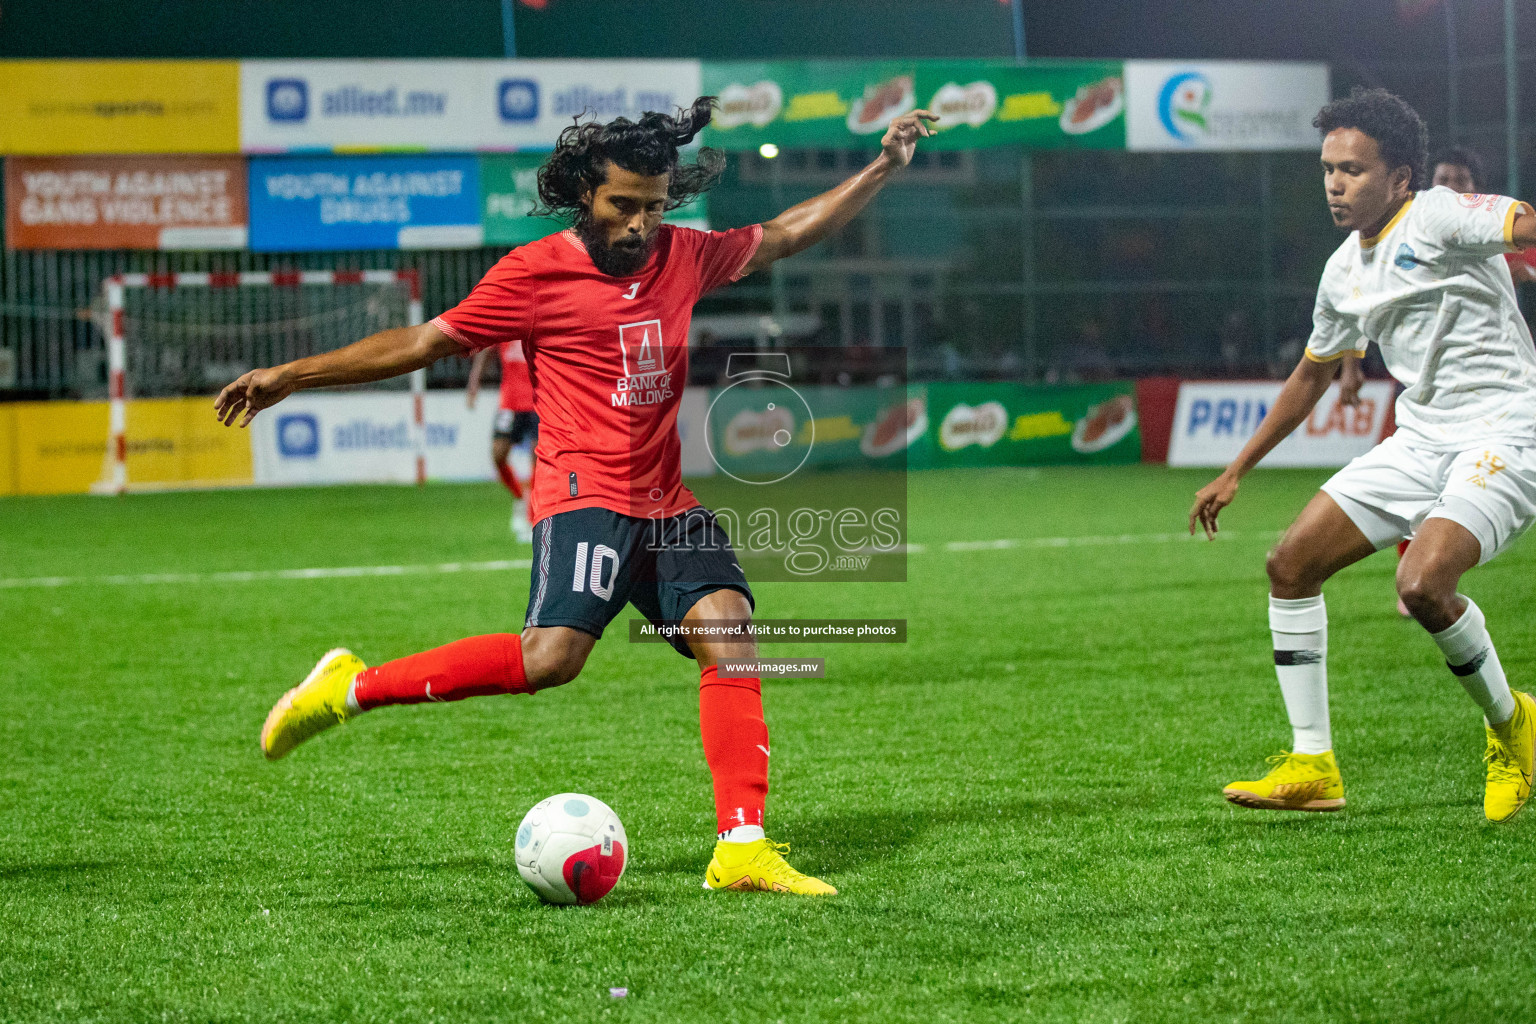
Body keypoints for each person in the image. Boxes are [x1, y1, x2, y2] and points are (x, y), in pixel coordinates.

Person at [215, 97, 938, 894]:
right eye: (622, 205)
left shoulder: (685, 255)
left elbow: (793, 231)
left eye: (654, 207)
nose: (638, 224)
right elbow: (423, 342)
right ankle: (347, 688)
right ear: (585, 195)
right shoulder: (533, 273)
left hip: (664, 499)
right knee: (552, 659)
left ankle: (742, 846)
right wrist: (291, 375)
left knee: (729, 632)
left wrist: (882, 167)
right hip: (581, 490)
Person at [1189, 89, 1536, 822]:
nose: (1334, 184)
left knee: (1422, 586)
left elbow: (1522, 221)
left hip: (1506, 430)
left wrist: (1518, 243)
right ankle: (1313, 763)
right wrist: (1236, 468)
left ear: (1401, 178)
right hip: (1421, 437)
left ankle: (1512, 725)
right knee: (1290, 565)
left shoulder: (1437, 212)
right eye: (1326, 170)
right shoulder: (1343, 269)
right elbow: (1312, 373)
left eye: (1351, 169)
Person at [1339, 145, 1536, 616]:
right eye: (1443, 176)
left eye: (1461, 180)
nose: (1450, 184)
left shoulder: (1492, 246)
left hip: (1500, 399)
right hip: (1426, 400)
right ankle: (1418, 577)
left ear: (1476, 191)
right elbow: (1353, 311)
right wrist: (1349, 369)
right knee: (1413, 486)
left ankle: (1434, 574)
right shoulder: (1404, 241)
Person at [466, 339, 538, 542]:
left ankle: (532, 520)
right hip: (510, 401)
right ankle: (518, 497)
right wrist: (474, 381)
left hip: (538, 400)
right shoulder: (509, 318)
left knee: (538, 461)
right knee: (498, 455)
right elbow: (487, 349)